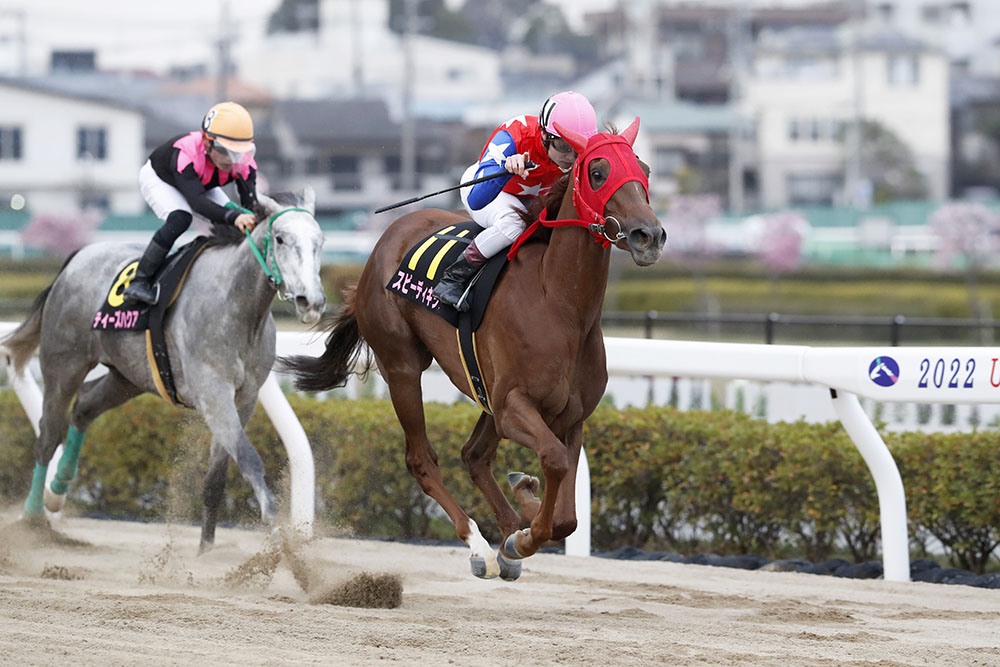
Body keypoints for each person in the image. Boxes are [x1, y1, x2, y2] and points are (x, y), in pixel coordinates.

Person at [432, 91, 598, 311]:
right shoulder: (514, 135)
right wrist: (505, 169)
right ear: (545, 135)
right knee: (515, 223)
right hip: (489, 191)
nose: (571, 157)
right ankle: (453, 278)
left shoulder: (575, 154)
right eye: (564, 147)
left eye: (577, 148)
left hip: (531, 200)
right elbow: (476, 199)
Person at [123, 101, 259, 305]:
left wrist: (245, 217)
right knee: (180, 219)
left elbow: (251, 207)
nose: (231, 159)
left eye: (238, 152)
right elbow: (198, 203)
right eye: (224, 150)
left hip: (201, 183)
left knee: (236, 223)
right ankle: (139, 281)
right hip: (162, 179)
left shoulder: (245, 163)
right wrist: (234, 216)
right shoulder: (186, 154)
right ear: (207, 141)